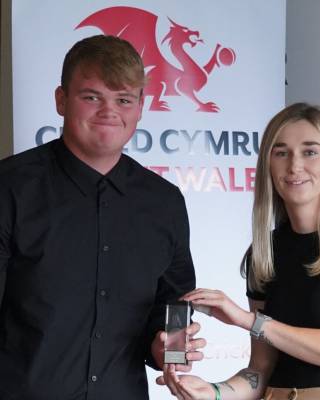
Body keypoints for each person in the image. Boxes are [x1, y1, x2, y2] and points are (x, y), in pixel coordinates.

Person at [0, 35, 205, 399]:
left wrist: (167, 352)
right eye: (92, 96)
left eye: (123, 99)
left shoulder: (164, 202)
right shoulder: (9, 188)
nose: (109, 111)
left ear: (140, 108)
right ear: (61, 101)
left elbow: (174, 303)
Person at [157, 103, 320, 400]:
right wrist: (214, 392)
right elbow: (259, 371)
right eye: (281, 153)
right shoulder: (264, 252)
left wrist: (249, 321)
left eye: (310, 151)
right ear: (268, 166)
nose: (294, 166)